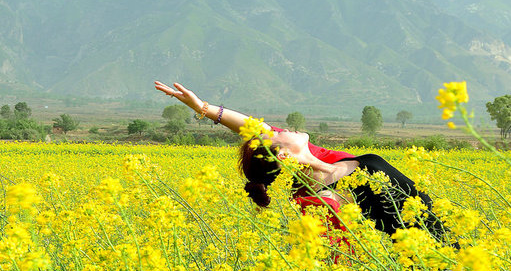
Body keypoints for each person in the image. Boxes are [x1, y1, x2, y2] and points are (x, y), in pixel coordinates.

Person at [154, 81, 451, 245]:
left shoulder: (322, 159)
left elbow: (256, 129)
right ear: (282, 157)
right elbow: (345, 256)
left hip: (449, 248)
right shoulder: (318, 200)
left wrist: (202, 108)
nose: (278, 129)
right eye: (279, 135)